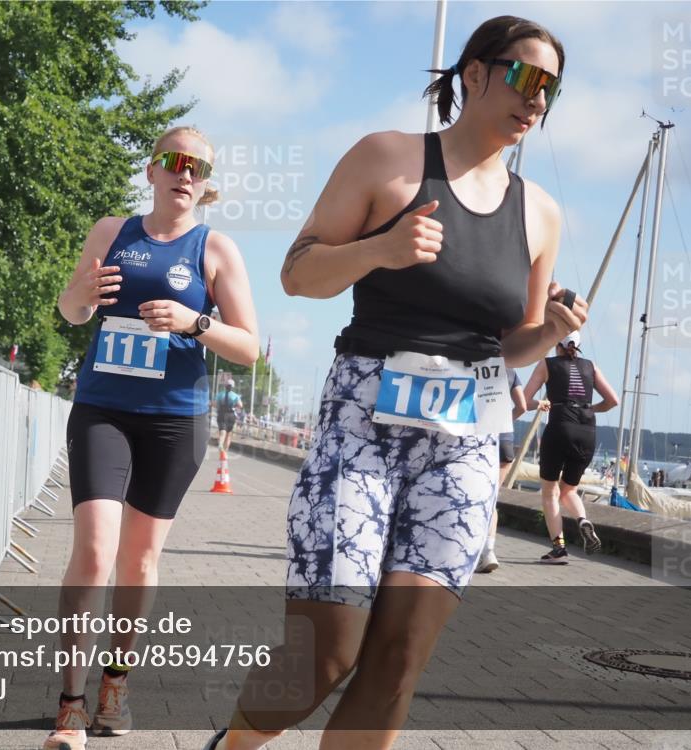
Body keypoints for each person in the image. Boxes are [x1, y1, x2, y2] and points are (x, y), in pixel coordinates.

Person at [203, 16, 584, 750]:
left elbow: (514, 343)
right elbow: (298, 272)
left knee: (397, 663)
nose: (538, 100)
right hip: (362, 430)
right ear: (475, 73)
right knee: (328, 652)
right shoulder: (388, 158)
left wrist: (552, 334)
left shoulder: (540, 212)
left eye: (552, 89)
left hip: (463, 446)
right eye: (527, 77)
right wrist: (381, 248)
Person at [50, 125, 258, 750]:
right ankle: (70, 704)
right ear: (152, 170)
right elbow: (73, 312)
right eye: (174, 160)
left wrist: (196, 322)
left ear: (206, 181)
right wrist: (78, 295)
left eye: (199, 166)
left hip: (175, 420)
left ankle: (115, 686)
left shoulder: (215, 248)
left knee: (139, 561)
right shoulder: (112, 231)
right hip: (103, 409)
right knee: (94, 550)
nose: (185, 172)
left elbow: (248, 347)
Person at [522, 331, 619, 564]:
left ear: (557, 344)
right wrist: (590, 408)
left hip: (559, 428)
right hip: (587, 432)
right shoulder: (591, 366)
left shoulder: (547, 364)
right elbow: (613, 400)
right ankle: (582, 519)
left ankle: (558, 549)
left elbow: (524, 401)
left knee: (550, 492)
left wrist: (541, 403)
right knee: (569, 490)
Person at [475, 366, 527, 573]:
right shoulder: (511, 371)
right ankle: (488, 551)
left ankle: (473, 550)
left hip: (479, 438)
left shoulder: (476, 365)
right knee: (492, 498)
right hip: (505, 439)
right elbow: (522, 406)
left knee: (475, 497)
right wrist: (504, 421)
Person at [215, 377, 243, 456]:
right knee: (229, 434)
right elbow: (240, 405)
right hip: (231, 415)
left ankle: (220, 444)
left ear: (225, 386)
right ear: (232, 387)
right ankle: (225, 452)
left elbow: (215, 404)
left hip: (221, 414)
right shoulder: (235, 395)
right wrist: (234, 406)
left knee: (222, 431)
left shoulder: (220, 394)